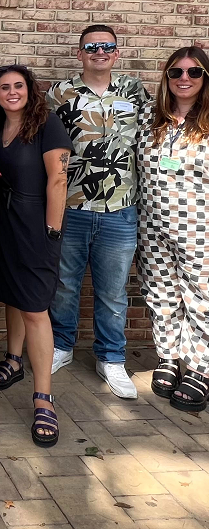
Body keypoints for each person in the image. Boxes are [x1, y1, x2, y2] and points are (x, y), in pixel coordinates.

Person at [47, 24, 150, 399]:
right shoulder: (60, 93)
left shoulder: (135, 91)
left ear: (116, 53)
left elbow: (151, 139)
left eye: (107, 46)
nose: (99, 52)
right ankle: (61, 346)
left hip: (119, 209)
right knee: (64, 285)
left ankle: (111, 358)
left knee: (112, 292)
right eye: (92, 47)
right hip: (71, 206)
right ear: (80, 53)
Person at [0, 65, 72, 447]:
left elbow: (58, 178)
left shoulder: (47, 124)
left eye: (19, 85)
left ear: (30, 91)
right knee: (10, 292)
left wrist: (52, 229)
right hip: (0, 220)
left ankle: (43, 398)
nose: (12, 92)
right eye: (5, 87)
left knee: (34, 306)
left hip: (36, 222)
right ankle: (13, 359)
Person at [137, 46, 209, 412]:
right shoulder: (153, 118)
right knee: (161, 295)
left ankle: (200, 366)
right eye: (176, 72)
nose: (184, 78)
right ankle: (169, 357)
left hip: (200, 228)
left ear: (204, 78)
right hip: (151, 226)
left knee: (201, 299)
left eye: (194, 73)